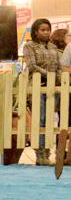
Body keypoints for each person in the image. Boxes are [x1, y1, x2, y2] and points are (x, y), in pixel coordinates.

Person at [23, 18, 61, 165]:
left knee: (50, 119)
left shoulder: (53, 47)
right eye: (43, 30)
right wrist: (49, 75)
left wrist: (58, 77)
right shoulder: (29, 46)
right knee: (40, 119)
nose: (46, 32)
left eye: (48, 30)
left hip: (54, 87)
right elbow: (32, 66)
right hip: (37, 86)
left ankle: (48, 152)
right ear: (35, 31)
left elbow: (58, 65)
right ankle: (40, 154)